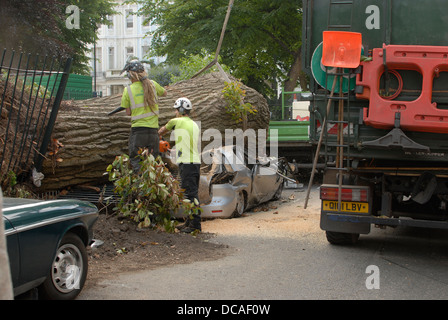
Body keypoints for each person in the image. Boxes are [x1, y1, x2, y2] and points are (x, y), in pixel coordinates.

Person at [158, 97, 201, 232]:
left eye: (176, 110)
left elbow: (160, 131)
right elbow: (188, 144)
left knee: (190, 194)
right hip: (193, 162)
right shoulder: (194, 124)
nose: (175, 112)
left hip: (188, 163)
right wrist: (172, 150)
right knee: (189, 193)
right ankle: (189, 223)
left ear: (181, 110)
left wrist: (156, 136)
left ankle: (195, 225)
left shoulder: (176, 121)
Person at [120, 59, 167, 171]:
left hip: (138, 133)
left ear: (129, 75)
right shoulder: (153, 85)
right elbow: (165, 93)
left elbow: (128, 112)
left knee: (136, 162)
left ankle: (140, 187)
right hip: (153, 132)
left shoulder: (128, 90)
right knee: (153, 162)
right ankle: (152, 186)